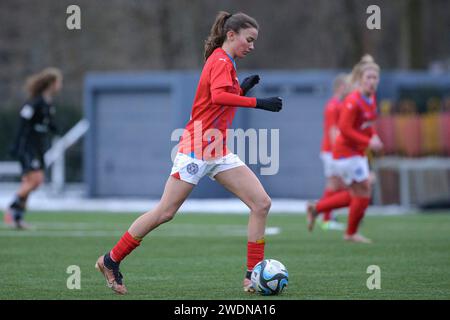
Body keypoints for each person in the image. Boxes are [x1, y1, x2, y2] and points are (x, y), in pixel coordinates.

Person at [95, 11, 283, 295]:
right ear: (231, 35)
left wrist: (241, 89)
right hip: (196, 149)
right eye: (249, 39)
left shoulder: (226, 62)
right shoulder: (220, 59)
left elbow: (216, 100)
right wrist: (258, 102)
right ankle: (110, 260)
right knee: (165, 212)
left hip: (217, 151)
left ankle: (250, 276)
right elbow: (219, 97)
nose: (252, 45)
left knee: (261, 203)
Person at [306, 55, 383, 243]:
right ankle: (350, 233)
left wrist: (374, 135)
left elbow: (369, 122)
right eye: (368, 78)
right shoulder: (353, 101)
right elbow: (344, 130)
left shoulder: (370, 98)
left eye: (375, 78)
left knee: (356, 194)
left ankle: (317, 209)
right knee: (363, 190)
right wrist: (368, 143)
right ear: (360, 80)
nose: (372, 81)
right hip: (346, 153)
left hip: (356, 152)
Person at [3, 67, 63, 229]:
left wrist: (55, 129)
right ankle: (12, 205)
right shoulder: (34, 102)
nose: (60, 86)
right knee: (36, 180)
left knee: (31, 181)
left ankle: (17, 219)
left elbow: (47, 123)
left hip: (39, 147)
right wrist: (17, 145)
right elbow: (23, 123)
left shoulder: (48, 103)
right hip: (28, 146)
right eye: (59, 82)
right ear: (51, 83)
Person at [317, 73, 349, 231]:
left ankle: (326, 214)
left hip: (332, 151)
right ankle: (325, 217)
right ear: (340, 87)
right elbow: (333, 131)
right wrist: (340, 152)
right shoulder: (333, 106)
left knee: (338, 184)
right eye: (346, 85)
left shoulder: (338, 104)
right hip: (332, 151)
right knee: (335, 184)